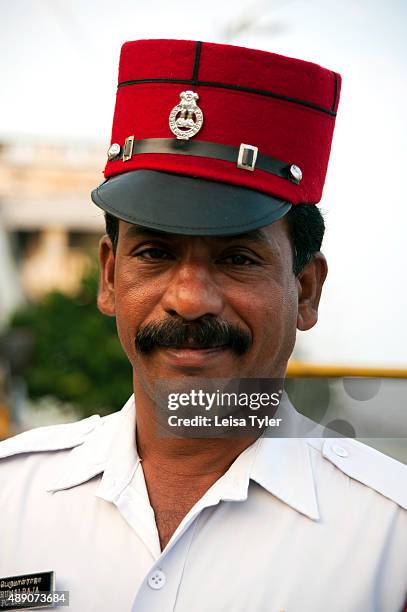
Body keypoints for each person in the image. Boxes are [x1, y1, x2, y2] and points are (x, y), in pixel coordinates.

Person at [0, 39, 406, 612]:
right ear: (110, 278)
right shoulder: (10, 503)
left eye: (237, 258)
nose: (190, 300)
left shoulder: (391, 542)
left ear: (306, 291)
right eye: (155, 254)